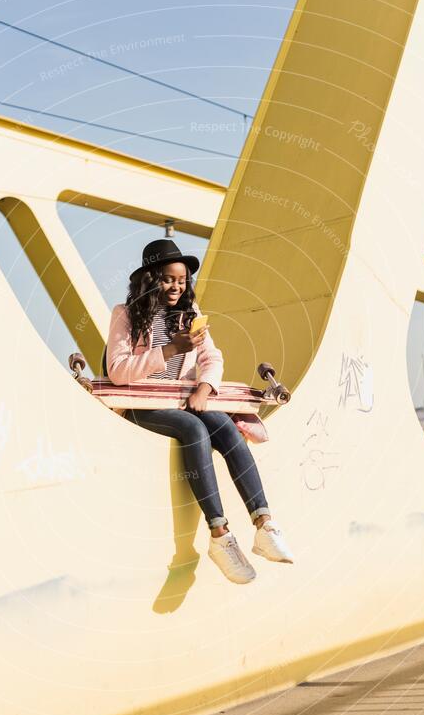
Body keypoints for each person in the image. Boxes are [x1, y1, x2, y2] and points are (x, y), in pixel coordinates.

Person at [105, 238, 294, 584]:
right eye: (168, 279)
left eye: (182, 280)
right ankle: (220, 536)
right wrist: (170, 349)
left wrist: (206, 386)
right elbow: (117, 370)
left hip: (181, 399)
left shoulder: (191, 316)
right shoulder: (125, 315)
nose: (176, 286)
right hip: (140, 405)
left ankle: (264, 525)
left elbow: (212, 357)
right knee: (195, 431)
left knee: (221, 424)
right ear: (149, 279)